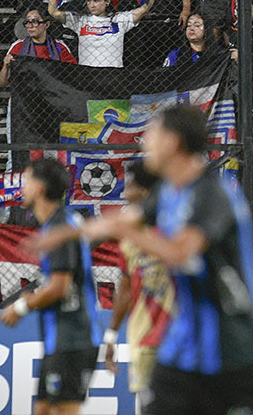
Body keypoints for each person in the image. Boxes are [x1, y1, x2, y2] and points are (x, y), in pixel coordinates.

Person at [58, 105, 253, 415]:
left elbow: (182, 252)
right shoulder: (166, 195)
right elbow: (116, 224)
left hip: (233, 354)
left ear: (173, 142)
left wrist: (121, 230)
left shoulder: (214, 194)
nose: (145, 142)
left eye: (152, 134)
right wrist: (65, 236)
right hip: (179, 353)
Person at [0, 157, 99, 415]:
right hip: (63, 340)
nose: (22, 186)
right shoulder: (60, 223)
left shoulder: (60, 228)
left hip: (73, 340)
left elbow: (59, 287)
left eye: (27, 180)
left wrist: (22, 306)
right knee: (42, 410)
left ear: (40, 188)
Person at [101, 160, 173, 407]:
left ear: (144, 191)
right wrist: (111, 335)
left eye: (129, 186)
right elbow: (126, 288)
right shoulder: (129, 240)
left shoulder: (178, 229)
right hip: (143, 340)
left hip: (179, 341)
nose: (125, 192)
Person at [48, 0, 152, 69]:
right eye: (89, 0)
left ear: (107, 1)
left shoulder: (119, 19)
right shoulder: (80, 20)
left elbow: (144, 9)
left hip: (113, 75)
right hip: (87, 75)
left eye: (96, 0)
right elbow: (53, 12)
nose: (91, 5)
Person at [0, 8, 76, 87]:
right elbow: (2, 83)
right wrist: (6, 66)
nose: (30, 26)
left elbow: (74, 76)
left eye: (35, 22)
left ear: (46, 24)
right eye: (27, 22)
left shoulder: (59, 47)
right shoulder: (18, 46)